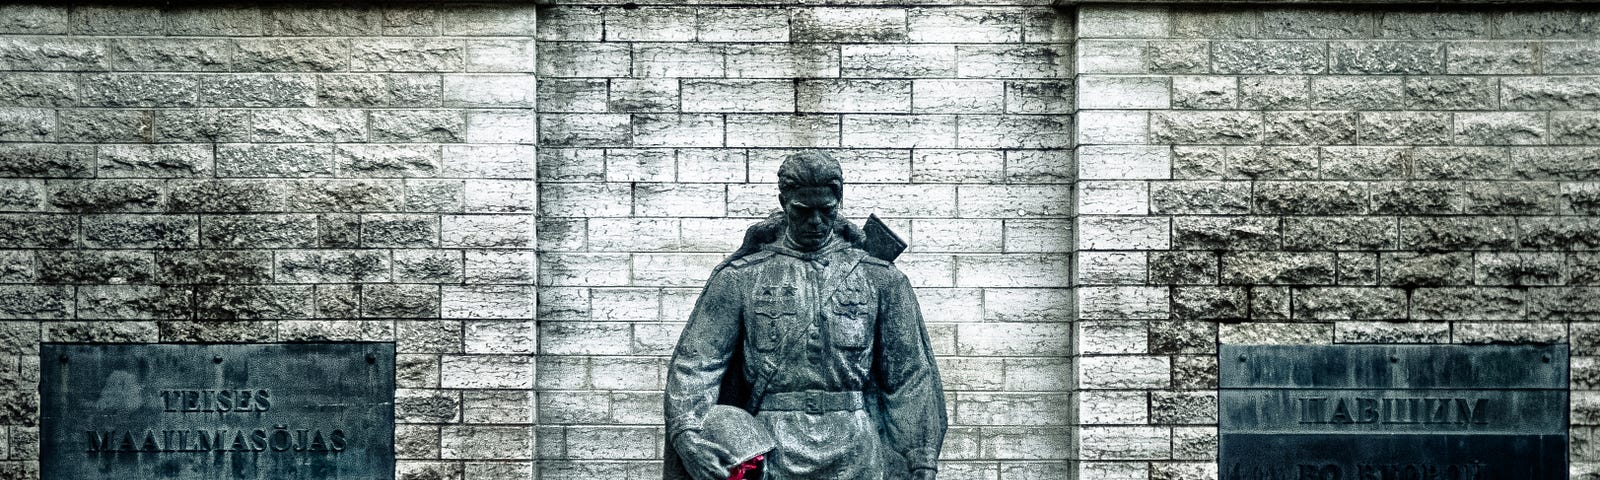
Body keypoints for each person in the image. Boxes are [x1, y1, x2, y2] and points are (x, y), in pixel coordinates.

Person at [663, 151, 947, 480]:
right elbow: (697, 363)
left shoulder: (880, 277)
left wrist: (921, 458)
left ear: (838, 202)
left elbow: (909, 375)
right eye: (802, 211)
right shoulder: (740, 276)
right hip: (774, 448)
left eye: (825, 211)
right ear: (784, 202)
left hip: (857, 450)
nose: (815, 222)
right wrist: (687, 435)